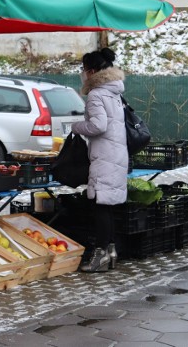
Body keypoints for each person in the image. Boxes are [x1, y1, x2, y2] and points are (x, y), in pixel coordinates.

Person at [70, 48, 128, 272]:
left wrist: (76, 127)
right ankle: (111, 251)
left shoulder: (96, 94)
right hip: (117, 154)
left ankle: (101, 254)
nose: (82, 73)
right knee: (108, 206)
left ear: (92, 71)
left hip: (104, 156)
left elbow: (98, 125)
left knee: (100, 207)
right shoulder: (114, 92)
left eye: (83, 69)